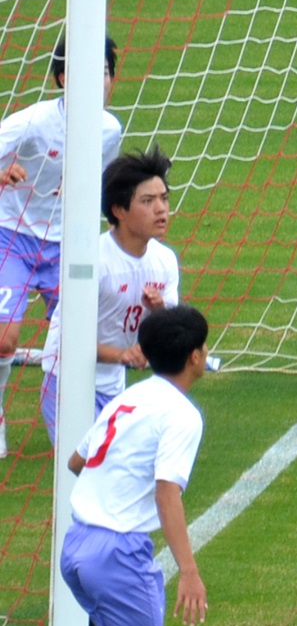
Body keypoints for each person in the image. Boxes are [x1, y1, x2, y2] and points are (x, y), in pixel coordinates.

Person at [59, 304, 210, 626]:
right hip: (117, 556)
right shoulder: (182, 415)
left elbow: (77, 461)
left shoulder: (126, 399)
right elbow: (166, 494)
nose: (206, 353)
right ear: (193, 357)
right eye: (204, 347)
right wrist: (189, 572)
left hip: (76, 546)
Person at [0, 35, 122, 458]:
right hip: (12, 236)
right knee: (5, 340)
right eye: (87, 72)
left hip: (68, 247)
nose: (98, 81)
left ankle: (84, 423)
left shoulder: (109, 131)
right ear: (62, 77)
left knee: (86, 338)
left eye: (104, 73)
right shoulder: (32, 123)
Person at [40, 146, 179, 445]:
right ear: (118, 210)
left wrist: (160, 310)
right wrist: (122, 355)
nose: (161, 209)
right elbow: (70, 340)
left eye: (164, 199)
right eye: (148, 200)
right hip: (67, 381)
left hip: (113, 384)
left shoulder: (164, 261)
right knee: (83, 476)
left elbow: (170, 331)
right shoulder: (94, 262)